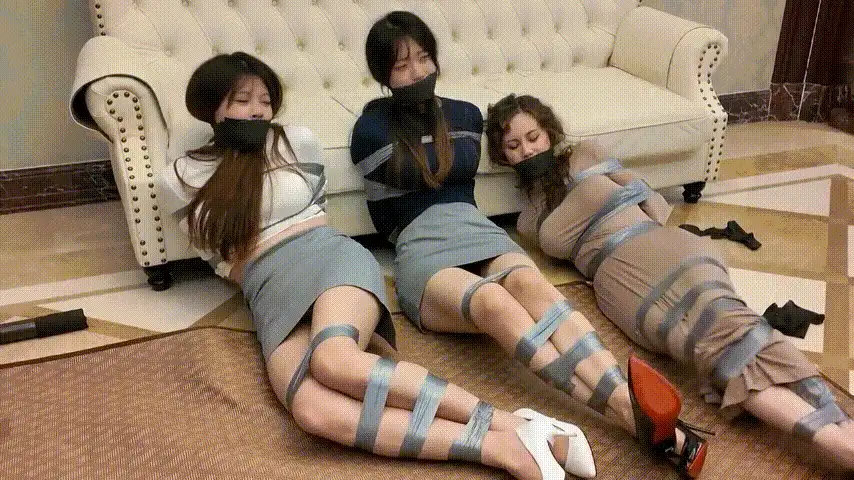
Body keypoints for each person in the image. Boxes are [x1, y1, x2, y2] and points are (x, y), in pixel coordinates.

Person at [157, 52, 600, 480]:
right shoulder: (179, 176)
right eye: (242, 100)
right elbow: (218, 257)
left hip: (327, 258)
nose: (258, 111)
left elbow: (315, 209)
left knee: (334, 361)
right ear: (210, 106)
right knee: (312, 411)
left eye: (265, 100)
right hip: (266, 288)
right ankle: (501, 447)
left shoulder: (294, 141)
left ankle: (511, 423)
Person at [350, 11, 709, 478]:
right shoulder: (371, 128)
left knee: (531, 285)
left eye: (423, 58)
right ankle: (632, 414)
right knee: (494, 302)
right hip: (419, 245)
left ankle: (631, 403)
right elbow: (422, 174)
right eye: (401, 66)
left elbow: (490, 146)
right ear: (382, 75)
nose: (418, 73)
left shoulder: (465, 115)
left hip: (476, 228)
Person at [484, 93, 854, 472]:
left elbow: (655, 204)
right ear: (503, 156)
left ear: (549, 132)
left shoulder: (585, 156)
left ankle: (838, 433)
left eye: (533, 137)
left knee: (735, 327)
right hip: (618, 286)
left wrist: (636, 226)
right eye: (513, 146)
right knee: (708, 355)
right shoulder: (529, 221)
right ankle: (838, 435)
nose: (527, 150)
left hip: (661, 248)